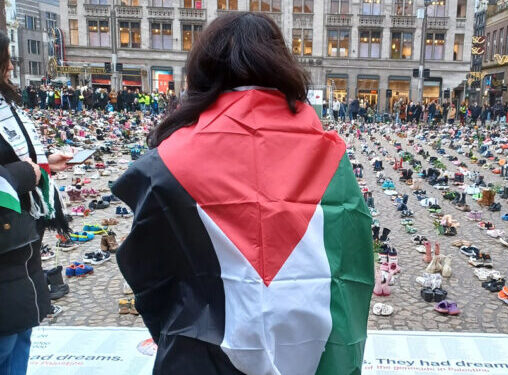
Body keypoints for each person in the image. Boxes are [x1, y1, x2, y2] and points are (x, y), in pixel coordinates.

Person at [111, 13, 373, 374]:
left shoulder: (167, 162)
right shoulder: (333, 157)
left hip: (203, 357)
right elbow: (354, 262)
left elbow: (149, 272)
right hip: (309, 349)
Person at [0, 30, 72, 375]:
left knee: (22, 332)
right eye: (6, 60)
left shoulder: (6, 105)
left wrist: (44, 166)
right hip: (4, 240)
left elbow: (19, 156)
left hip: (20, 236)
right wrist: (26, 173)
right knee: (6, 340)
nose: (12, 67)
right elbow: (12, 170)